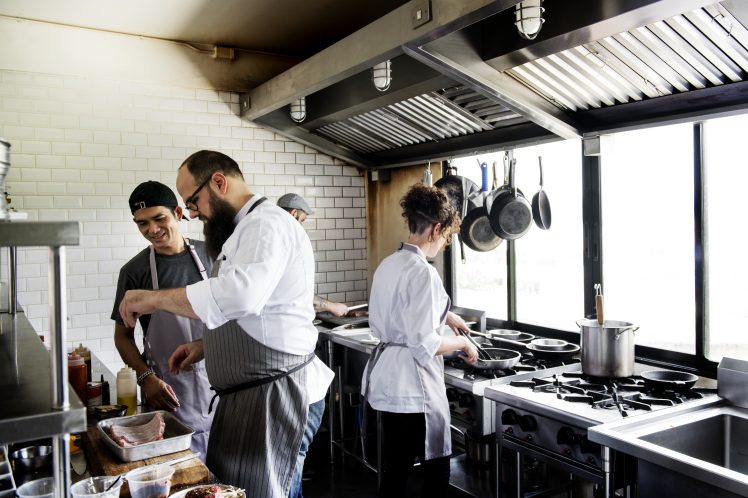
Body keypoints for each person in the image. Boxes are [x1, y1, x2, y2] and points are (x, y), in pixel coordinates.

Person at [118, 151, 334, 498]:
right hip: (251, 397)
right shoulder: (243, 231)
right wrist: (207, 346)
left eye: (193, 201)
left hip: (277, 394)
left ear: (219, 182)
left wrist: (152, 298)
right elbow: (256, 312)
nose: (192, 213)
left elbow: (240, 297)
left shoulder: (266, 225)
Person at [362, 183, 479, 498]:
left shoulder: (390, 263)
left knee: (395, 474)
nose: (443, 244)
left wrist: (446, 316)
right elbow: (425, 344)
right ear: (436, 229)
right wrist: (463, 345)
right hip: (414, 392)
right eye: (445, 237)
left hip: (388, 385)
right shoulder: (423, 273)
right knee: (435, 479)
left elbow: (401, 316)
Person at [111, 181, 214, 460]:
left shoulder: (213, 254)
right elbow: (122, 336)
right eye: (142, 224)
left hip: (220, 383)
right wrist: (146, 378)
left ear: (178, 213)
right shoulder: (134, 271)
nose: (152, 230)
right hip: (169, 391)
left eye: (159, 218)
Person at [277, 192, 349, 318]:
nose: (301, 226)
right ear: (293, 213)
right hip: (285, 323)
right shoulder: (286, 242)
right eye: (302, 220)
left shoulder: (274, 237)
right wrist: (331, 306)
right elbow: (294, 293)